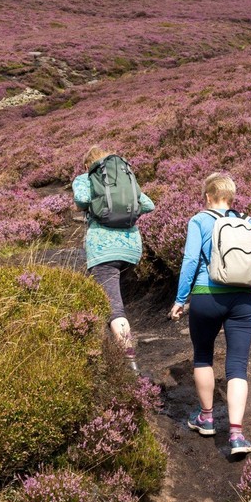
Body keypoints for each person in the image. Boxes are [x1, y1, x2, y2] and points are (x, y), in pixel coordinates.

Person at [169, 172, 251, 456]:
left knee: (203, 355)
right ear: (231, 198)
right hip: (244, 301)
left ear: (208, 196)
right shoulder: (248, 224)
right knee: (238, 366)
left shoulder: (199, 220)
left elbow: (191, 260)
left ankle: (205, 418)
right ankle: (237, 435)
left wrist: (181, 299)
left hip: (206, 297)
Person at [73, 147, 155, 372]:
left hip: (103, 250)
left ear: (87, 164)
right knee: (113, 303)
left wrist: (93, 202)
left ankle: (132, 368)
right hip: (131, 248)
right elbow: (149, 204)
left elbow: (80, 199)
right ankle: (116, 351)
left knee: (115, 310)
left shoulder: (85, 177)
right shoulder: (124, 177)